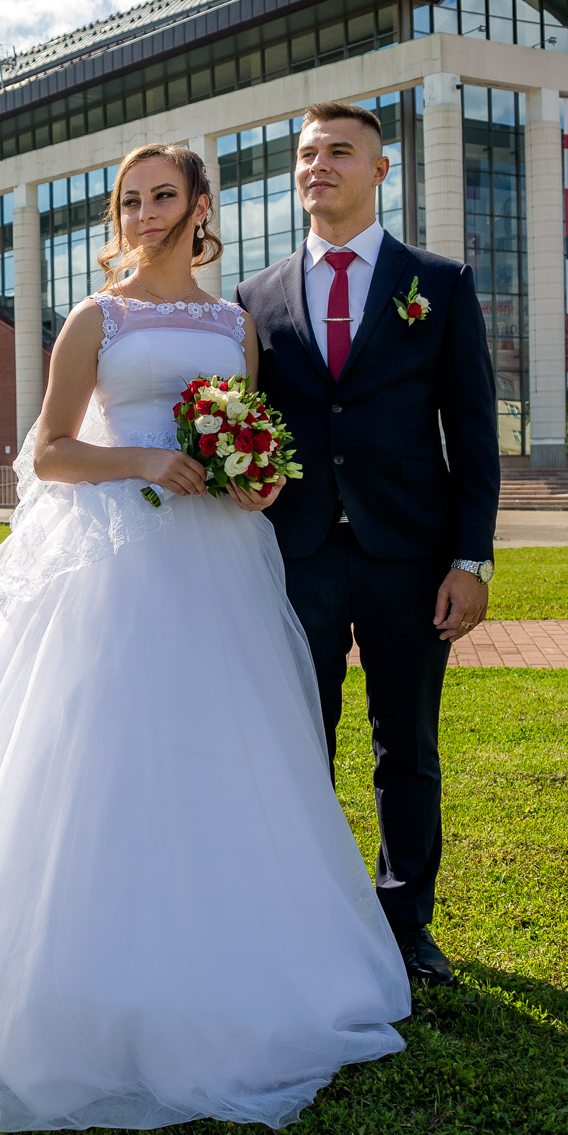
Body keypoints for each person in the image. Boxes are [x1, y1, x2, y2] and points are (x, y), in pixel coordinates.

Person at [0, 142, 410, 1133]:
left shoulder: (233, 324)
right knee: (99, 759)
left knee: (220, 756)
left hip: (219, 560)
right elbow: (50, 453)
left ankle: (229, 965)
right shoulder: (91, 319)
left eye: (162, 196)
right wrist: (144, 455)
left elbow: (241, 431)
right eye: (128, 199)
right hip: (115, 558)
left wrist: (253, 476)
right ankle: (77, 980)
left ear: (200, 206)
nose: (142, 213)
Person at [234, 101, 500, 990]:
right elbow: (247, 421)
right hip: (296, 554)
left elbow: (473, 433)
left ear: (381, 170)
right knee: (297, 742)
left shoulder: (440, 282)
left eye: (339, 152)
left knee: (407, 747)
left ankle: (404, 924)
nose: (319, 166)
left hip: (410, 558)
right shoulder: (256, 297)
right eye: (307, 154)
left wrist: (471, 559)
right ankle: (302, 914)